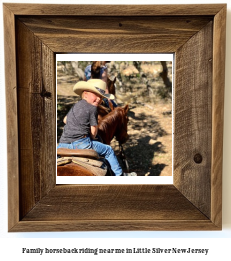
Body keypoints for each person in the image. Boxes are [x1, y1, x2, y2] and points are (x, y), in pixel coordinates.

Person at [57, 79, 136, 176]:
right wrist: (93, 137)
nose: (99, 99)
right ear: (85, 94)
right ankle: (120, 175)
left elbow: (65, 120)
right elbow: (94, 130)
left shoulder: (76, 105)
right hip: (82, 144)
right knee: (108, 150)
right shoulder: (93, 108)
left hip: (63, 143)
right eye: (96, 95)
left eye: (101, 97)